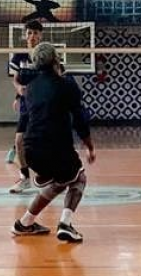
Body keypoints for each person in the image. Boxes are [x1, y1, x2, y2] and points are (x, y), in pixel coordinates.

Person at [11, 43, 96, 243]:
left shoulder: (30, 87)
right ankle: (65, 224)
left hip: (32, 151)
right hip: (56, 149)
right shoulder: (67, 86)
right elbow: (80, 120)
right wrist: (90, 146)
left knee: (60, 183)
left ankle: (24, 223)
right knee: (79, 179)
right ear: (57, 60)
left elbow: (19, 76)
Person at [8, 20, 43, 193]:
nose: (32, 36)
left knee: (46, 141)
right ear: (25, 35)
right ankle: (24, 178)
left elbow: (59, 75)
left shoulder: (46, 54)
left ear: (41, 35)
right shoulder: (19, 55)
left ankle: (51, 175)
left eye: (36, 33)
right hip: (27, 104)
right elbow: (15, 79)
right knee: (19, 140)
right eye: (30, 33)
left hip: (44, 104)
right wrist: (18, 91)